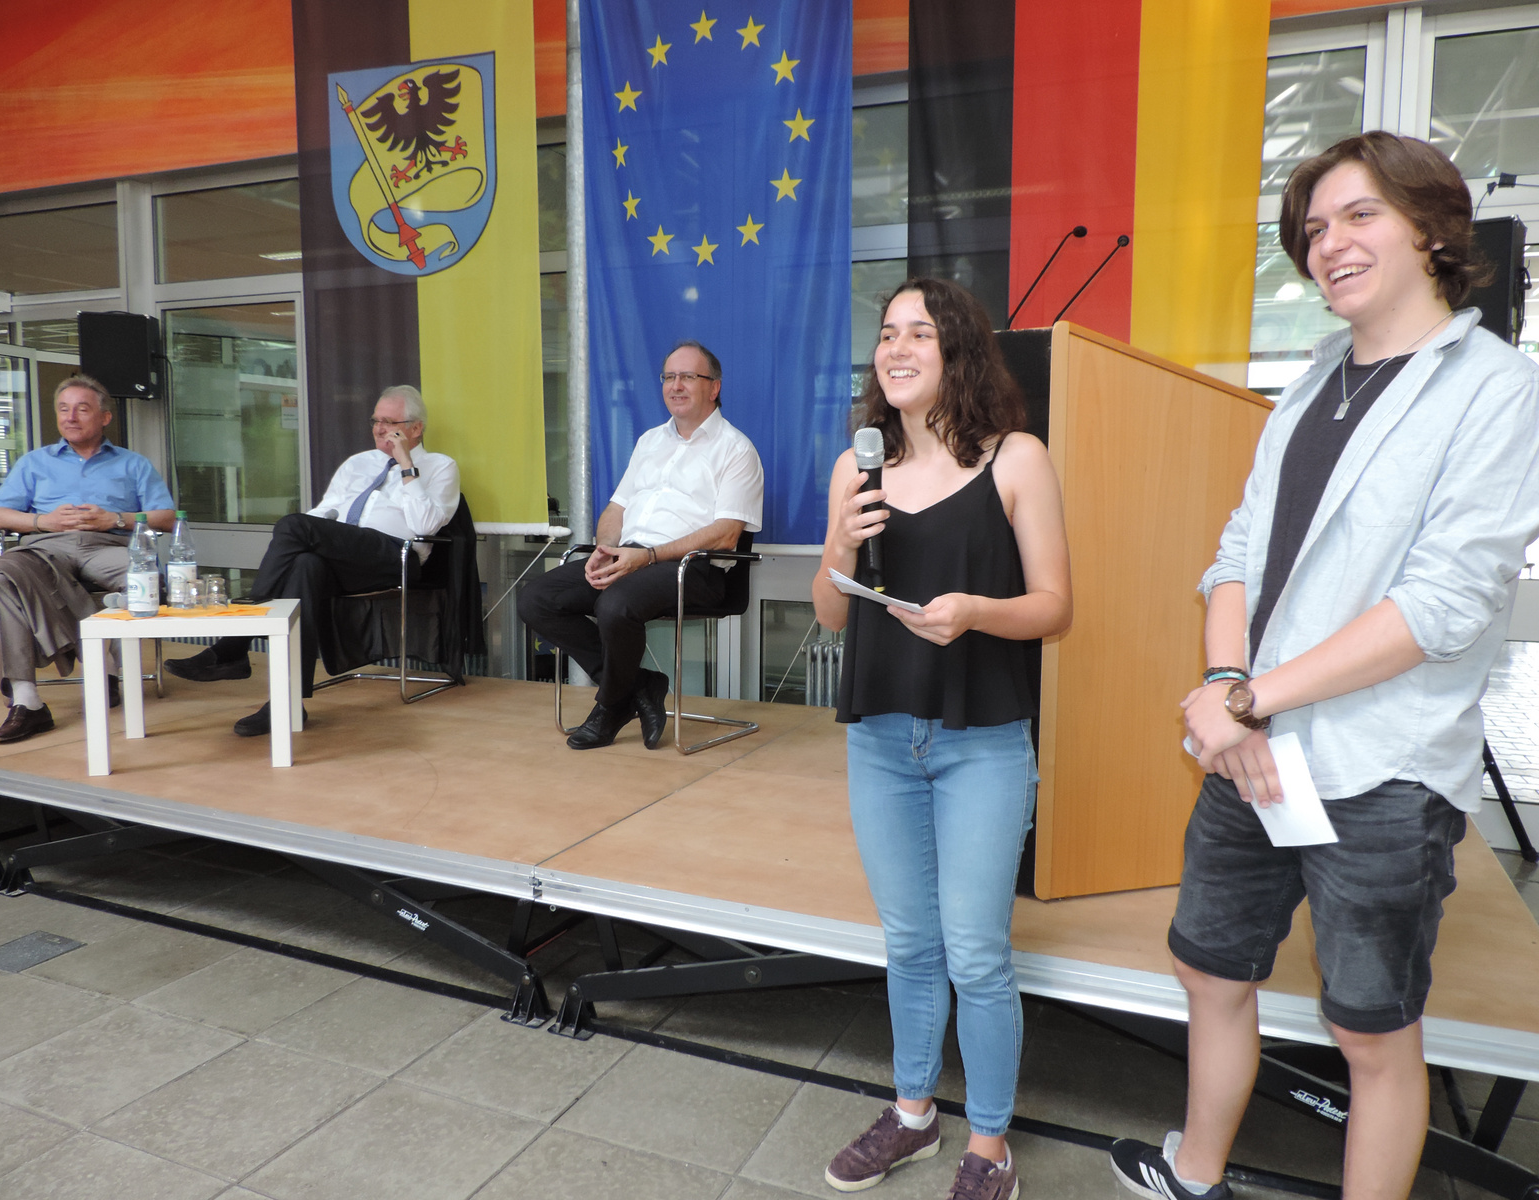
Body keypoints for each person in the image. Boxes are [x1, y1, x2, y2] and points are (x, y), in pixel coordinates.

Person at [1110, 133, 1539, 1200]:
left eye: (1357, 216)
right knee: (1207, 968)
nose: (1326, 245)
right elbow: (1237, 554)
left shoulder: (1494, 388)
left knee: (1370, 1031)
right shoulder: (1309, 387)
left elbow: (1444, 602)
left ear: (1431, 230)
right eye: (1311, 230)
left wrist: (1250, 697)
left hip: (1379, 768)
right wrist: (1223, 692)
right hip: (1249, 748)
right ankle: (1192, 1174)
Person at [813, 279, 1072, 1200]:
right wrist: (839, 548)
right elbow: (831, 618)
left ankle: (990, 1143)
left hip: (982, 740)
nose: (897, 347)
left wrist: (973, 613)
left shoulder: (1016, 458)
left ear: (957, 350)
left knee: (977, 952)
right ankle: (914, 1114)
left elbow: (1055, 608)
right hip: (881, 737)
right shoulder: (858, 467)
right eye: (886, 332)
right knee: (910, 944)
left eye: (918, 332)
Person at [165, 384, 460, 735]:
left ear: (415, 428)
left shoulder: (440, 466)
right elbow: (323, 513)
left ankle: (234, 645)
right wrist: (307, 536)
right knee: (306, 565)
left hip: (396, 556)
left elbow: (426, 525)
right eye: (376, 421)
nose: (381, 429)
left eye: (391, 422)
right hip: (345, 558)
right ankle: (287, 704)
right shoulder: (357, 464)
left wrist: (406, 465)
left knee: (293, 525)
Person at [518, 340, 763, 750]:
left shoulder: (736, 449)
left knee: (614, 604)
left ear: (714, 387)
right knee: (538, 598)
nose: (676, 385)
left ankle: (610, 705)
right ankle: (640, 685)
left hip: (691, 568)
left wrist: (647, 556)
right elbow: (617, 507)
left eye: (688, 376)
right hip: (629, 555)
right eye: (669, 377)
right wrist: (605, 547)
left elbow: (726, 534)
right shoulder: (650, 441)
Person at [0, 374, 176, 745]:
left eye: (82, 409)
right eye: (63, 409)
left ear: (104, 417)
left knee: (148, 580)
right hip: (47, 548)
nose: (70, 417)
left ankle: (104, 669)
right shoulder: (34, 463)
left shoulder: (133, 464)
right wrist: (41, 521)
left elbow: (165, 518)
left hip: (108, 546)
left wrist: (117, 519)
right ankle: (29, 701)